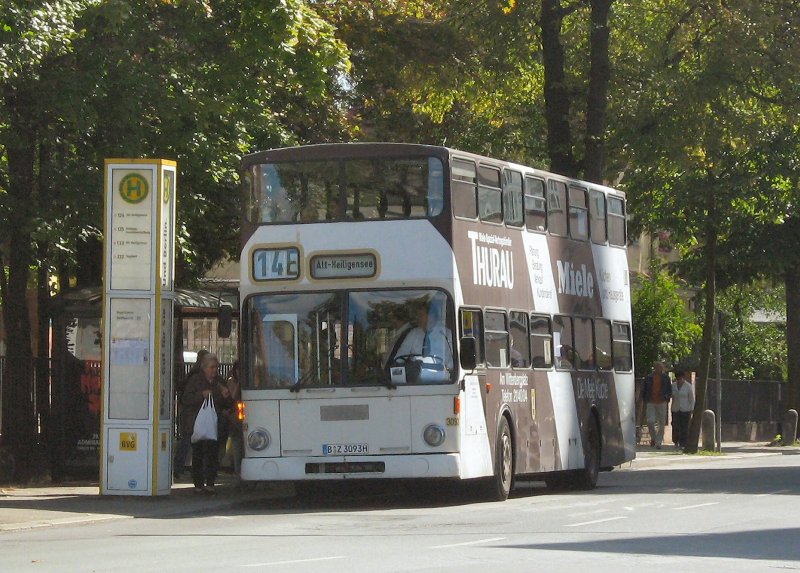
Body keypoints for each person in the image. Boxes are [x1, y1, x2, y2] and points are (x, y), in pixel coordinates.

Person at [180, 352, 231, 494]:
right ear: (204, 367)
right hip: (197, 423)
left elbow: (228, 404)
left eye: (216, 367)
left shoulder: (219, 382)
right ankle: (198, 483)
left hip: (214, 424)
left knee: (212, 454)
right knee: (198, 454)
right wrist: (201, 395)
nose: (214, 370)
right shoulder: (195, 380)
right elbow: (186, 399)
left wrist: (226, 396)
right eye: (211, 367)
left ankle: (210, 483)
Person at [174, 349, 210, 479]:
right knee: (188, 442)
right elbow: (188, 397)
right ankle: (179, 469)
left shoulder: (192, 374)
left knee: (188, 443)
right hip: (193, 415)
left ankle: (182, 469)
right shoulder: (197, 377)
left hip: (191, 415)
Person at [392, 303, 453, 371]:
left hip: (440, 375)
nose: (418, 318)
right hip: (416, 375)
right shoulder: (413, 333)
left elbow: (453, 362)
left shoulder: (446, 334)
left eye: (421, 315)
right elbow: (399, 357)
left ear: (431, 316)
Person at [642, 361, 672, 449]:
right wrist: (645, 398)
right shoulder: (648, 377)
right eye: (657, 367)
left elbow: (669, 389)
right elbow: (644, 389)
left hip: (662, 402)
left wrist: (667, 397)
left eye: (660, 367)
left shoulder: (666, 378)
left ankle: (658, 443)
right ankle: (654, 438)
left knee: (662, 423)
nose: (659, 369)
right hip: (651, 402)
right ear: (655, 368)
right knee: (650, 421)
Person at [224, 361, 243, 479]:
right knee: (237, 447)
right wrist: (239, 384)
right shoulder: (232, 382)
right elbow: (232, 397)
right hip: (234, 419)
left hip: (243, 417)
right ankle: (238, 473)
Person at [671, 369, 695, 450]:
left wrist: (692, 409)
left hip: (686, 409)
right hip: (675, 409)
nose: (679, 381)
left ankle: (683, 443)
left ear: (683, 378)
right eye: (677, 379)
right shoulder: (673, 386)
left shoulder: (688, 386)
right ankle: (676, 442)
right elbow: (671, 396)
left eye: (680, 379)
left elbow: (692, 399)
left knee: (684, 427)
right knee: (675, 426)